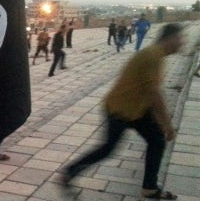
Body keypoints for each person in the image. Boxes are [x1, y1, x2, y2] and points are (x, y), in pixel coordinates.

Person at [61, 23, 184, 200]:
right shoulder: (153, 55)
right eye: (180, 38)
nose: (182, 42)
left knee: (156, 141)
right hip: (120, 109)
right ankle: (69, 172)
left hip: (137, 109)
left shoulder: (156, 55)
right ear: (170, 38)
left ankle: (149, 187)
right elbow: (155, 93)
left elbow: (149, 91)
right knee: (108, 149)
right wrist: (167, 124)